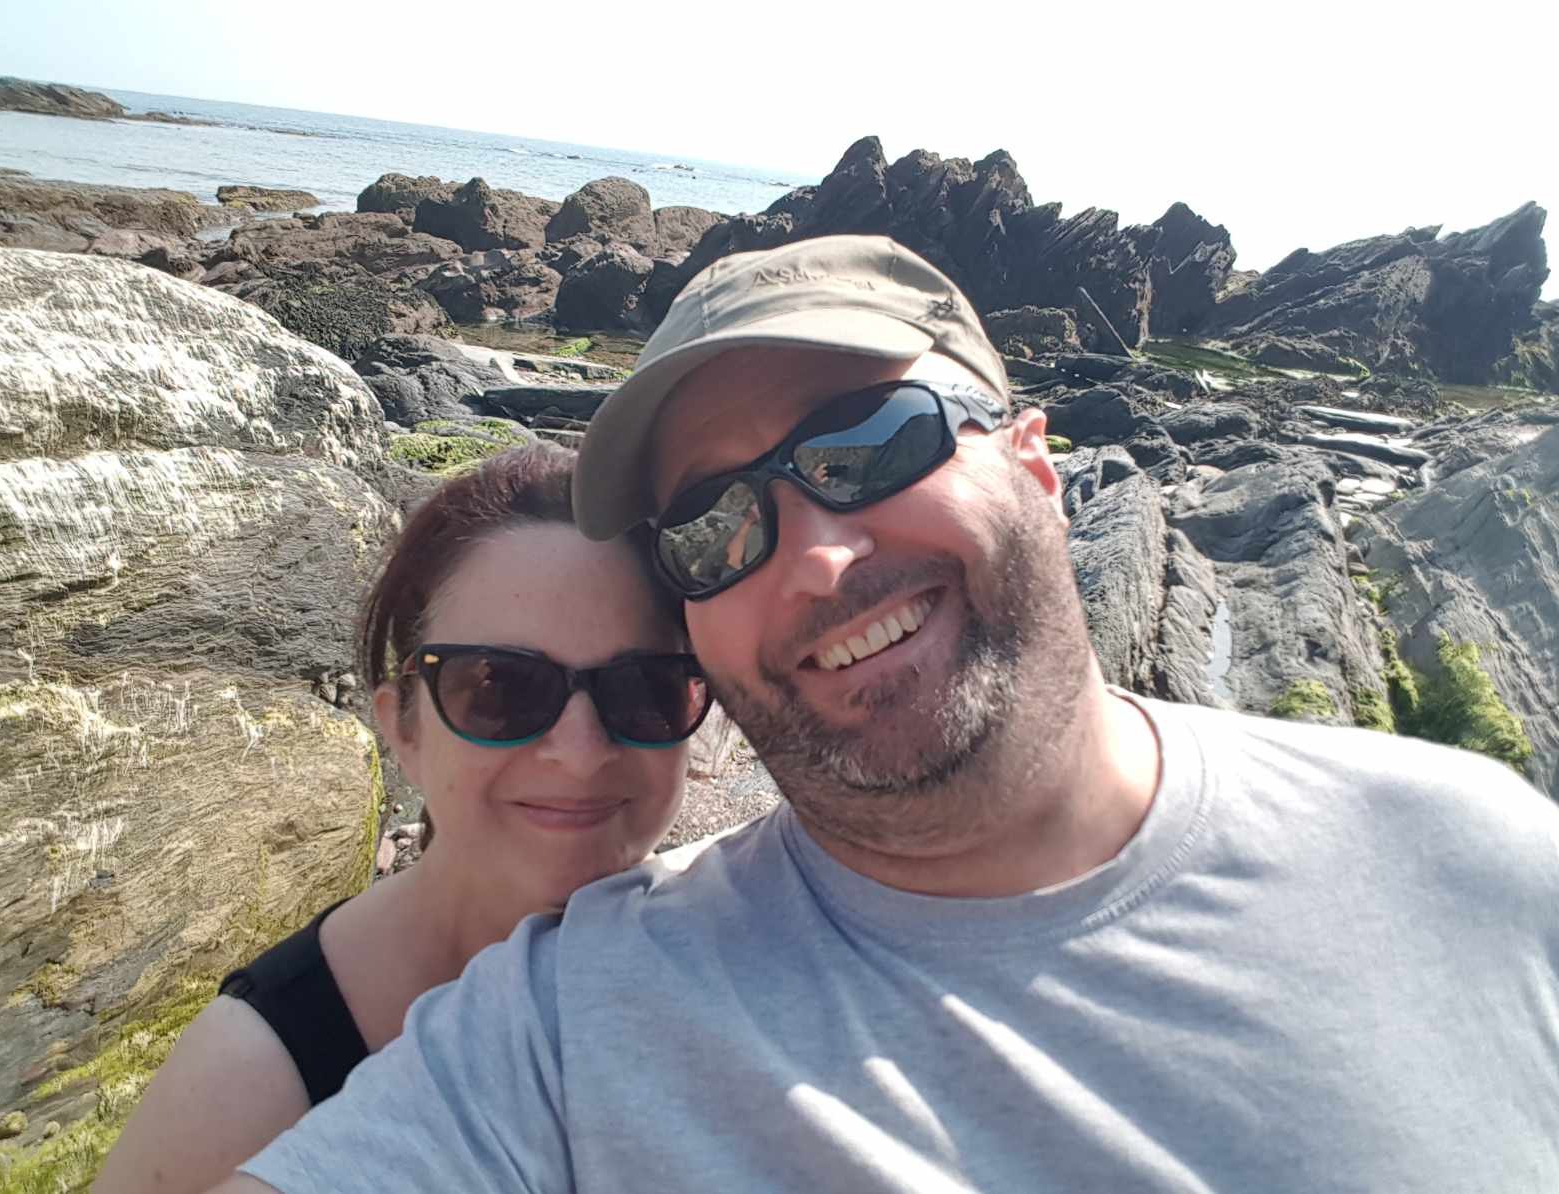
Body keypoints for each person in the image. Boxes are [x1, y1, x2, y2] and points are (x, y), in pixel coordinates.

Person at [213, 236, 1559, 1193]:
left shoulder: (1474, 855)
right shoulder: (576, 1021)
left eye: (870, 444)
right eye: (712, 526)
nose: (812, 560)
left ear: (1034, 461)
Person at [96, 443, 711, 1194]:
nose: (580, 754)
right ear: (403, 729)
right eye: (500, 688)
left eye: (644, 689)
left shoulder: (729, 950)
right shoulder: (246, 1083)